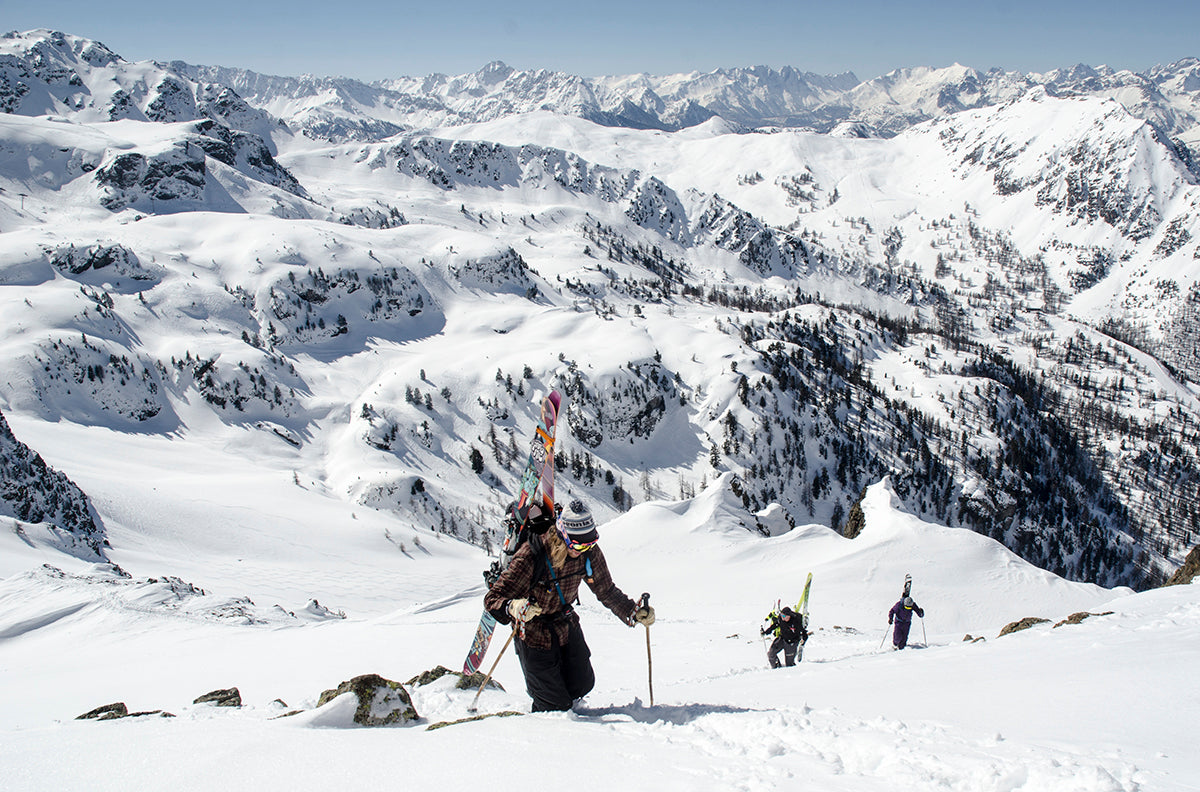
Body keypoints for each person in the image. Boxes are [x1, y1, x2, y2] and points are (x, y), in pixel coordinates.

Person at [484, 500, 654, 712]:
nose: (584, 549)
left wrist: (633, 613)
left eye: (590, 543)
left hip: (565, 624)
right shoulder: (532, 554)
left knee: (583, 684)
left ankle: (561, 702)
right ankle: (545, 719)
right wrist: (513, 607)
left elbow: (606, 590)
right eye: (578, 544)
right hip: (534, 634)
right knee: (554, 704)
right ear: (563, 534)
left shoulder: (588, 551)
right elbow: (492, 599)